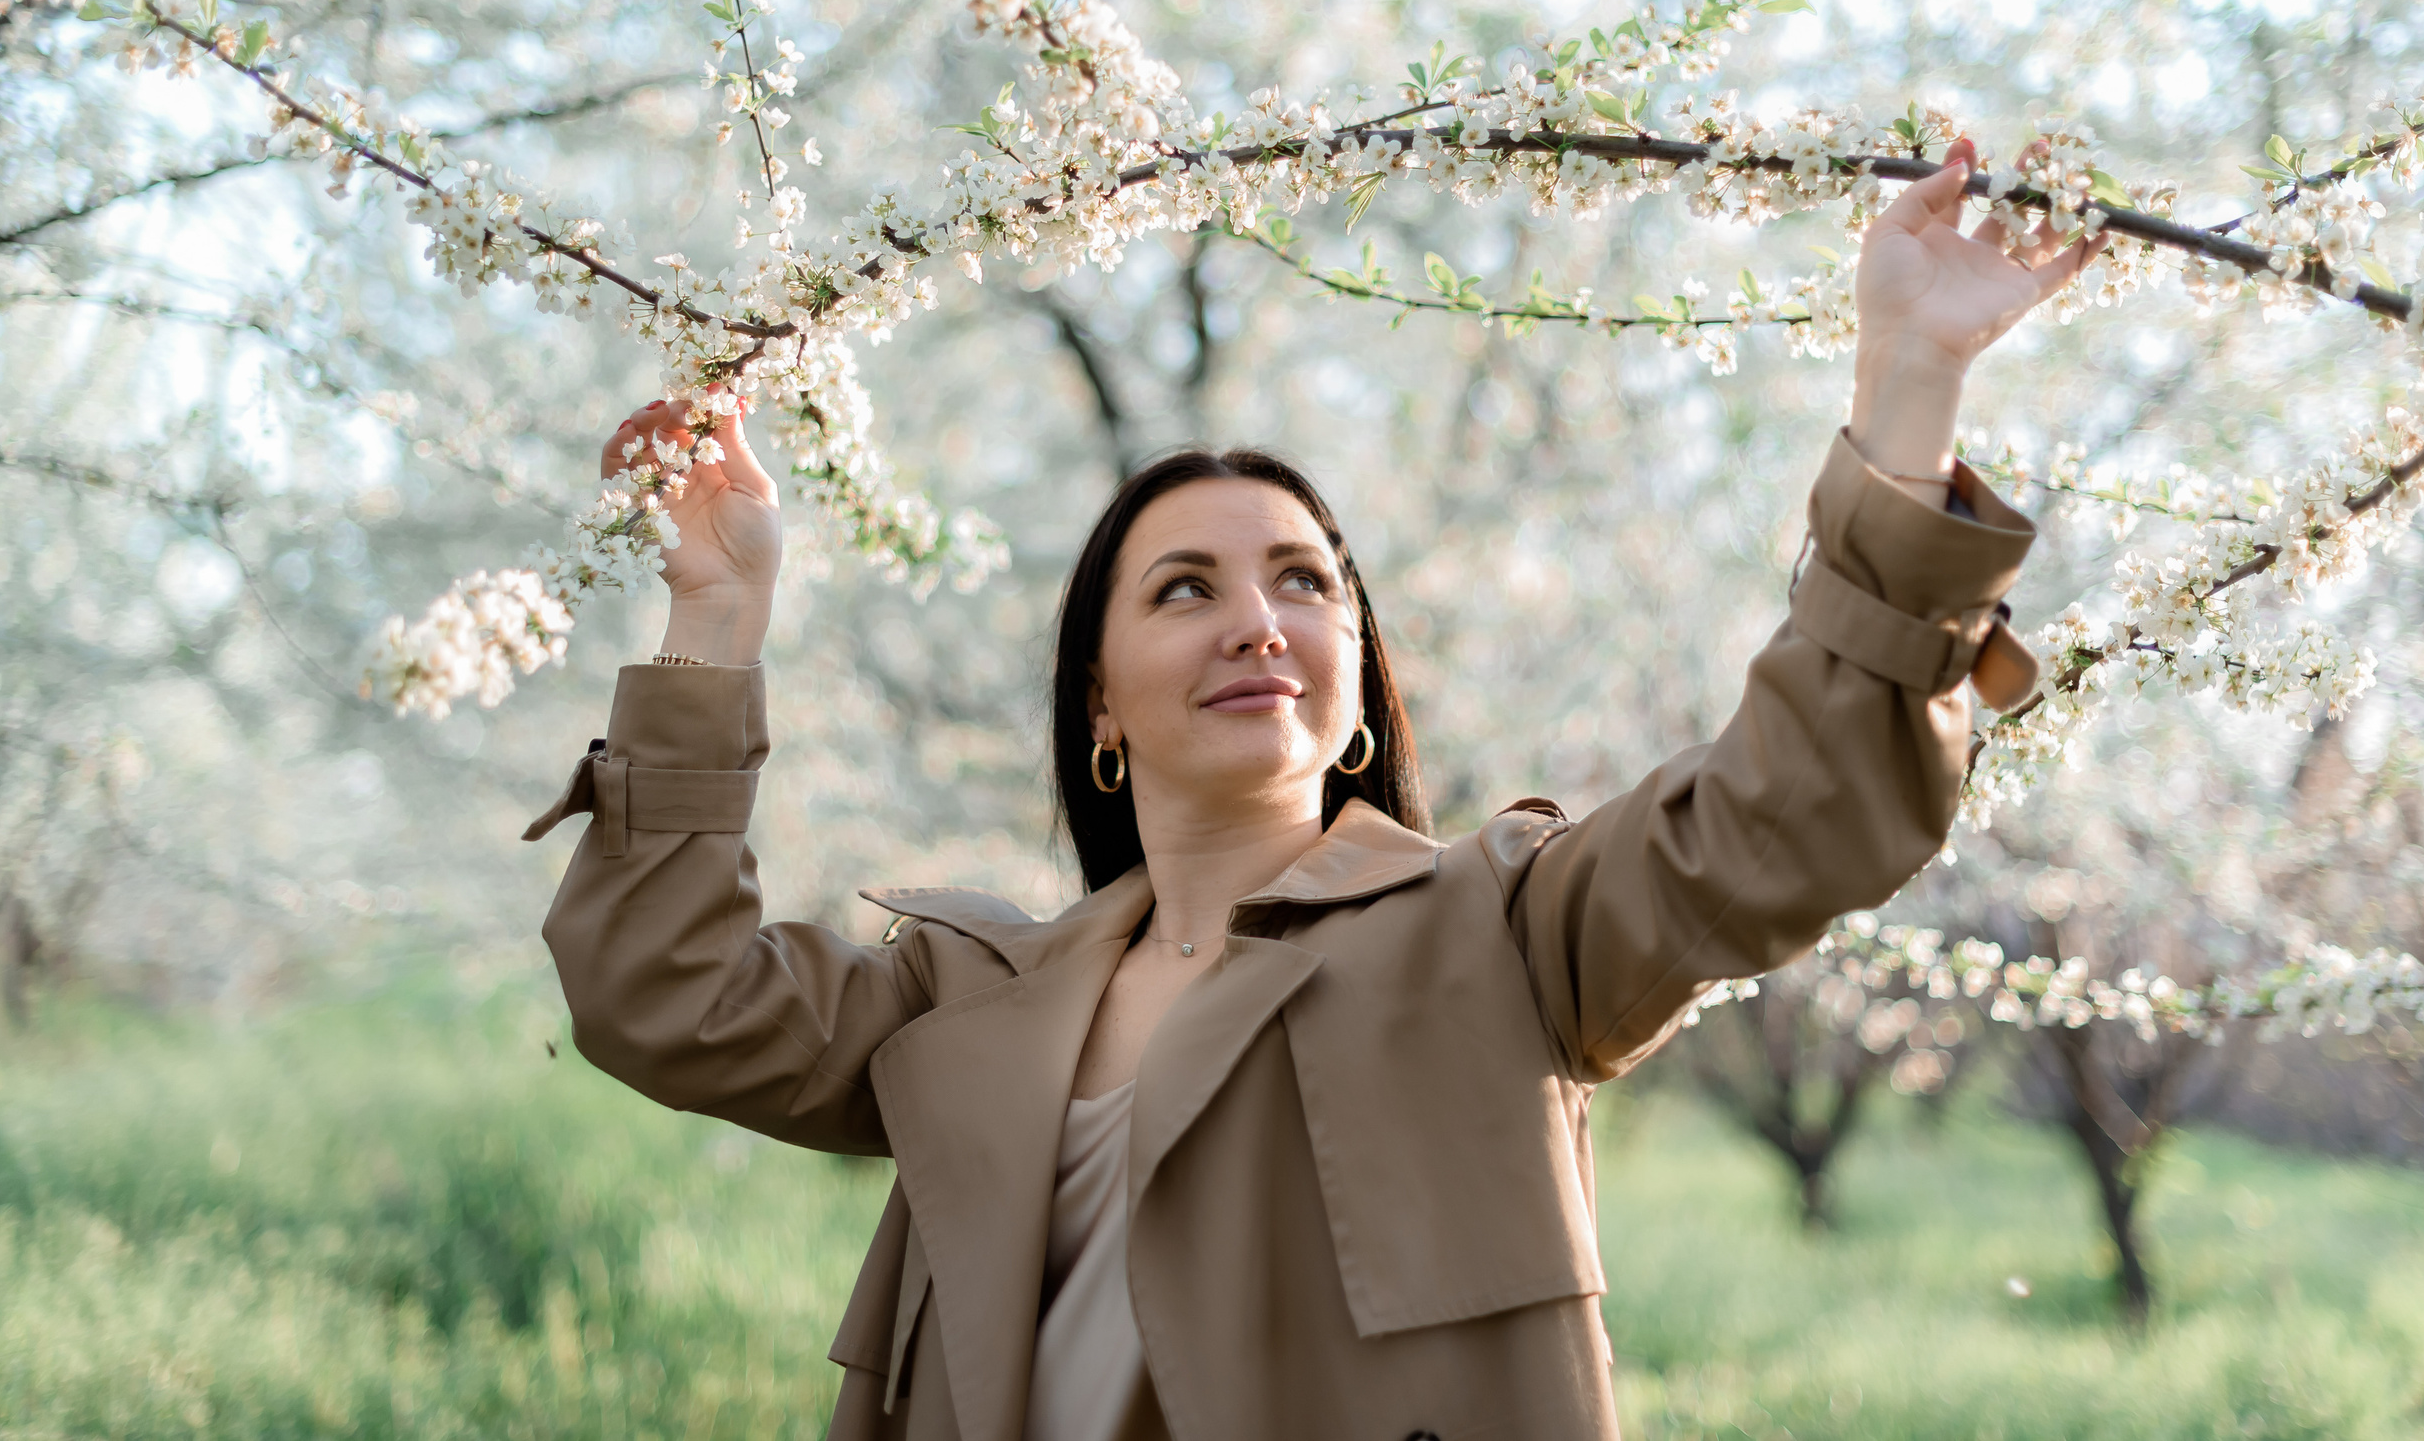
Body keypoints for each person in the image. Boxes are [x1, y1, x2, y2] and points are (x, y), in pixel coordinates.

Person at [530, 142, 2080, 1440]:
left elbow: (1790, 812)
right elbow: (664, 993)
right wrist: (716, 622)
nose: (1255, 619)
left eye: (1300, 581)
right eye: (1184, 587)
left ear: (1352, 684)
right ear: (1102, 707)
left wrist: (1911, 382)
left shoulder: (1509, 929)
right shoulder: (968, 1004)